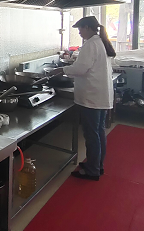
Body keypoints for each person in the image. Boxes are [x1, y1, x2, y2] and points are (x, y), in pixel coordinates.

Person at [49, 16, 116, 181]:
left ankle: (93, 170)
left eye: (80, 29)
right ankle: (97, 165)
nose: (79, 32)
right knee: (98, 132)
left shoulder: (91, 44)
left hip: (92, 97)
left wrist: (61, 70)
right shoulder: (100, 42)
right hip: (100, 95)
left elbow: (81, 69)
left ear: (87, 27)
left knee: (92, 134)